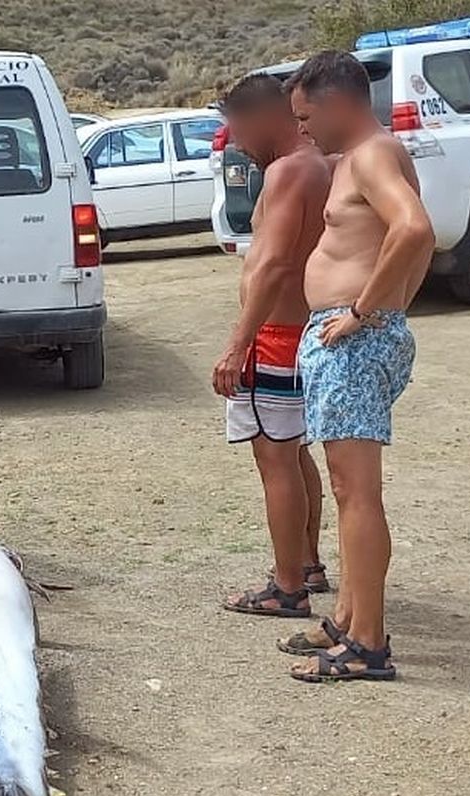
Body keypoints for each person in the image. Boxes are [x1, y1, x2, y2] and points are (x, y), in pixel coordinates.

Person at [280, 52, 434, 682]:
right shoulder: (371, 156)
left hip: (353, 339)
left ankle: (367, 642)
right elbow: (408, 240)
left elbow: (416, 230)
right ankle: (348, 617)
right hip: (355, 336)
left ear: (338, 100)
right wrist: (389, 312)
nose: (304, 129)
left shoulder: (370, 153)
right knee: (349, 493)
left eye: (306, 115)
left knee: (356, 493)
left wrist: (366, 312)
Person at [213, 74, 333, 619]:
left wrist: (239, 343)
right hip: (299, 330)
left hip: (276, 337)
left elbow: (277, 261)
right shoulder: (318, 163)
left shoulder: (287, 170)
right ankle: (305, 562)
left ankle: (288, 586)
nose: (235, 141)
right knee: (295, 450)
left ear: (263, 116)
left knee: (274, 458)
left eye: (237, 126)